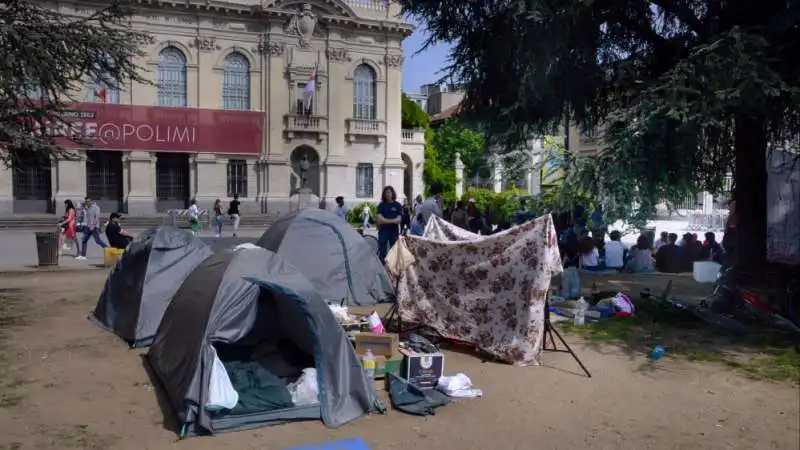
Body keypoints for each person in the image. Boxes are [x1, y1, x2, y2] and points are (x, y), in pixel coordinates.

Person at [376, 186, 403, 263]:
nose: (388, 194)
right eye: (386, 192)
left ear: (392, 193)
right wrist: (393, 220)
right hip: (383, 232)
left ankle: (392, 271)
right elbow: (379, 220)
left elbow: (399, 220)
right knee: (382, 254)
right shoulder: (381, 205)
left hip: (394, 233)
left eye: (389, 192)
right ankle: (382, 270)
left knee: (394, 253)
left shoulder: (397, 205)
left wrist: (385, 220)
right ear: (384, 194)